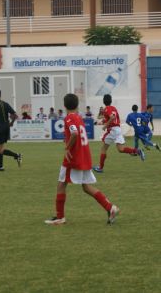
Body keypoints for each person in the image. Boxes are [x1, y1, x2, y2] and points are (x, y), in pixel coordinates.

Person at [45, 93, 120, 226]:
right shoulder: (79, 118)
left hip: (73, 157)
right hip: (84, 155)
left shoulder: (69, 118)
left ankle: (60, 217)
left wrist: (67, 148)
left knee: (61, 184)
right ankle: (110, 207)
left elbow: (74, 133)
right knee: (86, 187)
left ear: (64, 105)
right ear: (77, 105)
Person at [93, 94, 145, 173]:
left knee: (104, 148)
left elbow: (112, 118)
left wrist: (105, 126)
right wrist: (99, 122)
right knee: (120, 149)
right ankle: (137, 151)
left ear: (104, 101)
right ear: (110, 101)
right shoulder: (113, 108)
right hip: (117, 129)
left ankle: (100, 167)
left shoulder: (106, 109)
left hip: (112, 130)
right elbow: (110, 118)